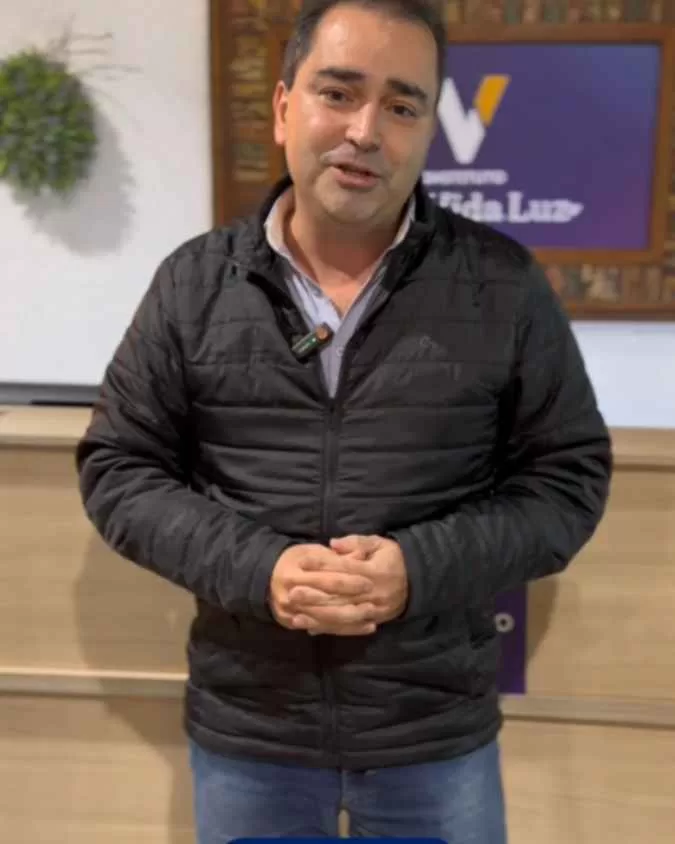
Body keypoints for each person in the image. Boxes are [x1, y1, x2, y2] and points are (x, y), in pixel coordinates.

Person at [76, 0, 612, 840]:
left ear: (428, 130)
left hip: (432, 735)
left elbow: (565, 480)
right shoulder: (194, 283)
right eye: (338, 93)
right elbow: (119, 468)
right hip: (250, 731)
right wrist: (260, 568)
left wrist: (417, 568)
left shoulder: (502, 285)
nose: (365, 131)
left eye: (401, 105)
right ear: (284, 106)